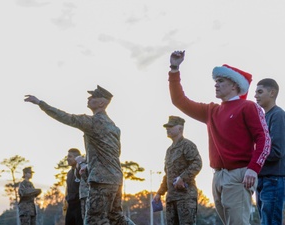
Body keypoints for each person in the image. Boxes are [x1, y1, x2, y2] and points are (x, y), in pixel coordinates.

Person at [167, 50, 271, 225]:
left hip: (239, 175)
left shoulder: (248, 107)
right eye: (216, 81)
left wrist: (253, 168)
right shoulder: (211, 111)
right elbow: (179, 101)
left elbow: (264, 139)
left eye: (221, 81)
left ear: (234, 85)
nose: (216, 85)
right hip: (218, 176)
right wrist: (174, 69)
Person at [24, 85, 132, 225]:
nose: (89, 98)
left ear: (101, 103)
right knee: (116, 217)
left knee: (94, 220)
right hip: (116, 179)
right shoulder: (114, 127)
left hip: (101, 181)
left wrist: (40, 103)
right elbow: (115, 152)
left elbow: (66, 117)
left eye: (93, 97)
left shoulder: (92, 122)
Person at [153, 115, 202, 225]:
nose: (167, 129)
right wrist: (160, 193)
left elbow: (197, 164)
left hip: (185, 197)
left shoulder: (187, 145)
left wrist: (182, 178)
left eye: (171, 126)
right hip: (171, 198)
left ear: (180, 129)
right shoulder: (169, 150)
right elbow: (167, 174)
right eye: (167, 127)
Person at [254, 78, 285, 225]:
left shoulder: (278, 115)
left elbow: (277, 151)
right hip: (261, 179)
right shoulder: (262, 118)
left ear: (272, 93)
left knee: (271, 222)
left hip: (273, 179)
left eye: (260, 91)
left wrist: (254, 156)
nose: (256, 96)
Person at [63, 148, 83, 225]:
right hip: (70, 206)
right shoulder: (69, 174)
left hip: (80, 206)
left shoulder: (83, 171)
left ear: (76, 158)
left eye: (70, 156)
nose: (67, 159)